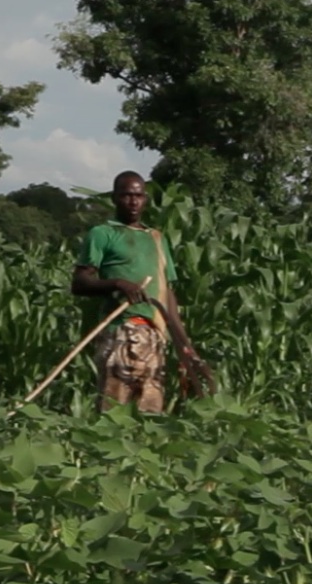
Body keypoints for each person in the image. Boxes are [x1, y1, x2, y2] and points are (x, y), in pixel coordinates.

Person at [72, 171, 211, 412]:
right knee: (113, 411)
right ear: (115, 198)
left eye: (138, 195)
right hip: (121, 333)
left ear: (145, 199)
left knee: (150, 414)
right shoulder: (103, 234)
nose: (133, 201)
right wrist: (117, 284)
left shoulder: (156, 238)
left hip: (154, 335)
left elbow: (165, 293)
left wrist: (185, 345)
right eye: (126, 195)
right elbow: (80, 282)